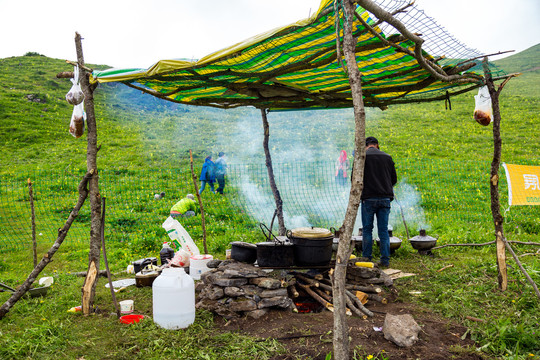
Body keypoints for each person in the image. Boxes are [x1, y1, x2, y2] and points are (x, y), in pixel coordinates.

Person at [361, 137, 397, 268]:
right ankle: (385, 260)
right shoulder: (387, 157)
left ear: (366, 146)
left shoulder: (362, 157)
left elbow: (355, 178)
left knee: (367, 229)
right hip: (385, 199)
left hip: (368, 199)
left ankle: (366, 258)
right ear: (377, 145)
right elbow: (394, 179)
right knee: (383, 231)